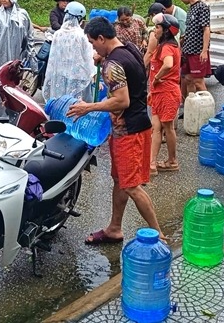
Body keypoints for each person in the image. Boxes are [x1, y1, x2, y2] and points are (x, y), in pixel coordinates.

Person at [67, 17, 165, 245]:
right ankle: (114, 228)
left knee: (131, 185)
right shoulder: (128, 48)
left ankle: (159, 235)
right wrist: (103, 58)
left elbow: (122, 101)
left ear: (102, 38)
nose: (93, 49)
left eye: (93, 43)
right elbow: (125, 69)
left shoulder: (113, 65)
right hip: (137, 125)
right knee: (120, 180)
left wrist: (87, 107)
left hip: (129, 131)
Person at [148, 14, 182, 175]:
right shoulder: (165, 46)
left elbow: (168, 64)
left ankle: (172, 161)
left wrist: (156, 78)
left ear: (166, 30)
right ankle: (152, 163)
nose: (155, 30)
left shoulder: (168, 47)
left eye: (157, 27)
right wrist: (152, 91)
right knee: (156, 127)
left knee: (167, 127)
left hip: (167, 91)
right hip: (159, 92)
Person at [42, 1, 96, 102]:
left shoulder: (58, 34)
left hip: (61, 75)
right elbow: (89, 58)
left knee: (62, 103)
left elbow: (53, 58)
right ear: (79, 18)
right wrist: (93, 74)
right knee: (77, 106)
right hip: (78, 78)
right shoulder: (82, 35)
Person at [175, 0, 212, 100]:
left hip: (197, 51)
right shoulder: (191, 8)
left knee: (198, 81)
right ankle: (191, 107)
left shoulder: (202, 7)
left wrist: (204, 50)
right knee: (188, 79)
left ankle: (208, 107)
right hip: (188, 50)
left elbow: (206, 29)